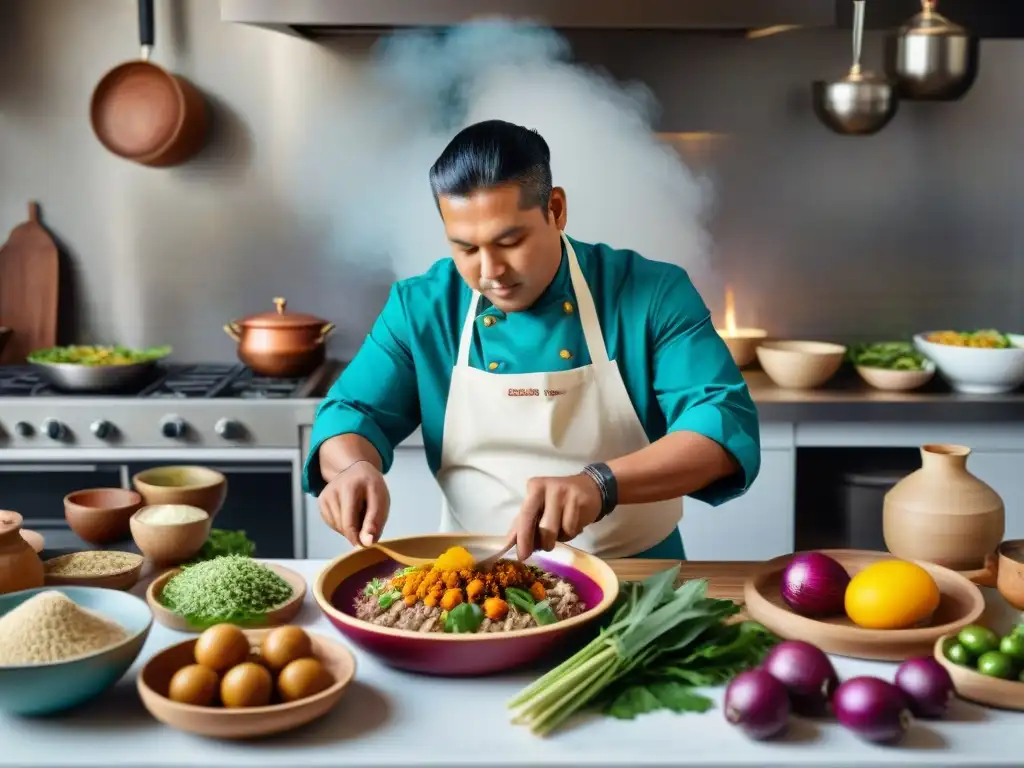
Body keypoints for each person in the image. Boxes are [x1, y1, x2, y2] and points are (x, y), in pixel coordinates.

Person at [303, 119, 760, 561]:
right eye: (465, 247)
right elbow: (352, 412)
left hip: (638, 575)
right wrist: (351, 467)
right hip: (475, 584)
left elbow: (720, 421)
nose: (489, 271)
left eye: (510, 241)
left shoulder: (652, 292)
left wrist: (602, 483)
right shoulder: (422, 307)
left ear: (556, 210)